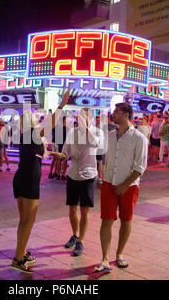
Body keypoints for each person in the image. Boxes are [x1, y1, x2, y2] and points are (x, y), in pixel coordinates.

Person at [11, 90, 70, 273]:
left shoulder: (26, 136)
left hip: (22, 177)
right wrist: (61, 105)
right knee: (28, 221)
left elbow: (38, 153)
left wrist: (54, 154)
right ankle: (18, 259)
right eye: (35, 118)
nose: (38, 120)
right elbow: (50, 124)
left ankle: (21, 252)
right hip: (28, 179)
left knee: (24, 221)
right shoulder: (32, 134)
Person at [93, 103, 148, 273]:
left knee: (126, 220)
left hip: (129, 186)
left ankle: (119, 254)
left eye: (116, 112)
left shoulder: (139, 138)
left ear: (125, 115)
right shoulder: (110, 135)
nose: (113, 114)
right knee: (106, 220)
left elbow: (141, 166)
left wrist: (125, 184)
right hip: (109, 183)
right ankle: (104, 259)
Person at [54, 108, 103, 257]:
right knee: (72, 208)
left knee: (85, 210)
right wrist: (58, 155)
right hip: (73, 174)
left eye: (84, 116)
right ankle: (75, 235)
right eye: (80, 116)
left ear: (90, 118)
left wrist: (87, 127)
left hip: (88, 175)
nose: (80, 118)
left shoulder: (97, 132)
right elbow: (66, 151)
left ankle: (81, 241)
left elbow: (95, 143)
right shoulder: (72, 132)